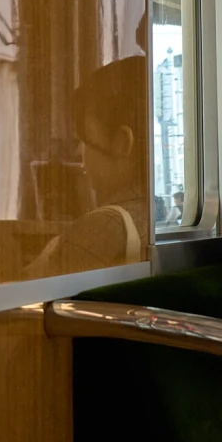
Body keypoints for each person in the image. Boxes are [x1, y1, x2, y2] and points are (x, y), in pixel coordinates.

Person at [22, 57, 148, 279]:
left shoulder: (101, 227)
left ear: (121, 143)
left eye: (86, 140)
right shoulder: (160, 215)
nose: (80, 152)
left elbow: (26, 306)